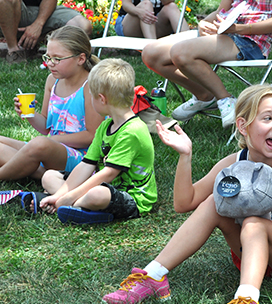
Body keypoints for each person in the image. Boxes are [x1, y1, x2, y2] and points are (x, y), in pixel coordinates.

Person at [102, 85, 272, 304]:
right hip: (252, 253)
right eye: (268, 118)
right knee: (212, 203)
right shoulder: (234, 164)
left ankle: (248, 301)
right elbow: (184, 203)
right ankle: (153, 276)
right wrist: (185, 156)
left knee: (254, 222)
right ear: (243, 125)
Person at [35, 59, 157, 225]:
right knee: (49, 176)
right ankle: (72, 206)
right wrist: (60, 195)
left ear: (101, 99)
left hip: (132, 198)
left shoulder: (132, 131)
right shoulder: (105, 125)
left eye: (91, 95)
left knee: (97, 194)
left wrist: (68, 197)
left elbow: (109, 173)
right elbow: (87, 165)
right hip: (103, 185)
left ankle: (69, 205)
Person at [141, 0, 272, 127]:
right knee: (150, 54)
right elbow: (221, 11)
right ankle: (204, 96)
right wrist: (205, 23)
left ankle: (226, 99)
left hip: (250, 41)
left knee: (181, 53)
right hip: (224, 30)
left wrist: (240, 29)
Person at [0, 26, 102, 182]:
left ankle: (23, 171)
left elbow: (92, 135)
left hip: (82, 158)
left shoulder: (90, 86)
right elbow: (46, 126)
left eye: (57, 58)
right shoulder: (52, 81)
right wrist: (30, 114)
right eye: (48, 57)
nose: (50, 63)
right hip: (48, 148)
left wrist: (51, 141)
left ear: (80, 59)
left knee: (39, 144)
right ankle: (40, 172)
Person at [0, 0, 92, 63]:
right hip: (8, 11)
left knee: (83, 26)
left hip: (40, 11)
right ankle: (14, 51)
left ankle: (39, 43)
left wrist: (38, 24)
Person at [115, 0, 189, 40]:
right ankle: (153, 49)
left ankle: (189, 44)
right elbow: (126, 5)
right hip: (130, 25)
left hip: (155, 24)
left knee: (171, 6)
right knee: (146, 4)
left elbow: (168, 1)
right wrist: (139, 12)